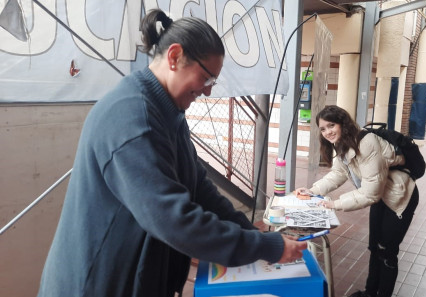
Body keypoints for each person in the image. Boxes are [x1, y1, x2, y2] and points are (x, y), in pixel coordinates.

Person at [37, 10, 306, 297]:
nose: (207, 91)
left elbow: (199, 189)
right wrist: (267, 248)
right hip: (97, 283)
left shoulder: (168, 111)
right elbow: (175, 221)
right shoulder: (133, 116)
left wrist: (255, 236)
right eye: (205, 78)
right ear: (175, 57)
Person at [296, 105, 419, 297]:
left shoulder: (367, 143)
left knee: (387, 251)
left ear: (343, 124)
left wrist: (334, 204)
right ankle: (370, 293)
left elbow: (370, 193)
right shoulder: (342, 143)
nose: (327, 132)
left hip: (399, 197)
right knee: (374, 246)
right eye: (323, 129)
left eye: (331, 126)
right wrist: (312, 190)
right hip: (380, 194)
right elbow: (338, 173)